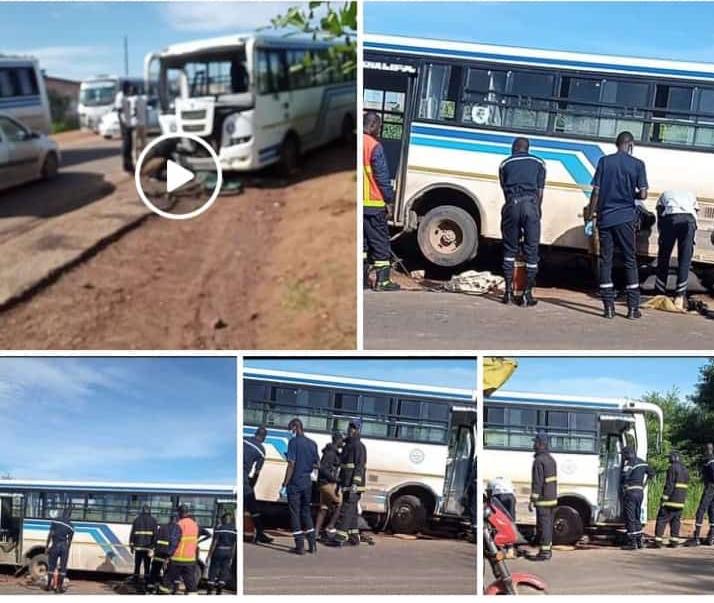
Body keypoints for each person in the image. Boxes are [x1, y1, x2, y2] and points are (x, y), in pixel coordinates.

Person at [587, 131, 648, 319]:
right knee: (630, 260)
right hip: (625, 219)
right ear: (630, 144)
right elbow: (643, 194)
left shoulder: (604, 162)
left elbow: (596, 192)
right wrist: (632, 194)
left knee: (606, 260)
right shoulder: (638, 164)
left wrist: (591, 215)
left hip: (605, 218)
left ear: (617, 143)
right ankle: (632, 309)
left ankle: (608, 308)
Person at [498, 137, 546, 306]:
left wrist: (511, 205)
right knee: (531, 251)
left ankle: (508, 293)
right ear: (527, 148)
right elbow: (540, 192)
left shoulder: (504, 164)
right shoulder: (539, 163)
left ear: (514, 148)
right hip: (531, 206)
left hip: (512, 204)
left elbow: (504, 189)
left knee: (510, 249)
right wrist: (537, 211)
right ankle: (527, 294)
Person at [363, 111, 400, 291]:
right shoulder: (373, 146)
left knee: (362, 245)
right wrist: (389, 200)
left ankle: (361, 281)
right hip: (374, 204)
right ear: (374, 126)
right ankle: (382, 281)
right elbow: (382, 177)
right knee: (379, 243)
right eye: (379, 127)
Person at [281, 418, 319, 555]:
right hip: (307, 483)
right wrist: (306, 464)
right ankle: (312, 545)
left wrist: (284, 484)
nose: (290, 432)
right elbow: (317, 464)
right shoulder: (312, 443)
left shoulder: (293, 442)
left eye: (290, 429)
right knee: (306, 512)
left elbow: (291, 464)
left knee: (295, 513)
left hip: (295, 483)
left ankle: (300, 546)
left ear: (295, 428)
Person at [655, 190, 698, 309]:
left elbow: (659, 211)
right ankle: (679, 297)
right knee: (684, 259)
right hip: (689, 221)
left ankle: (659, 293)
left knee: (664, 256)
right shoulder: (691, 195)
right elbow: (695, 212)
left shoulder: (664, 195)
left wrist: (661, 233)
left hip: (671, 218)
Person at [327, 419, 367, 547]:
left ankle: (340, 538)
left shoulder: (358, 446)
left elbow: (359, 466)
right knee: (353, 511)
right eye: (350, 427)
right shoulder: (348, 445)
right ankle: (354, 537)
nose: (351, 429)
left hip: (353, 485)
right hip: (346, 483)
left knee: (346, 511)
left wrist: (355, 483)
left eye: (353, 428)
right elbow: (342, 465)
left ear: (358, 430)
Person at [529, 433, 557, 561]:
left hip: (543, 500)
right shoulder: (551, 459)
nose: (533, 445)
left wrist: (533, 499)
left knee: (543, 526)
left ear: (540, 444)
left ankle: (544, 552)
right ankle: (548, 549)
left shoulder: (539, 461)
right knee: (549, 525)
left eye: (535, 443)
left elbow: (537, 482)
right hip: (552, 499)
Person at [620, 446, 655, 550]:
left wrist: (624, 484)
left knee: (630, 517)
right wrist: (644, 484)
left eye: (624, 454)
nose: (624, 457)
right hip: (640, 492)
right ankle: (639, 541)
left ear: (629, 454)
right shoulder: (643, 462)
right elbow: (652, 473)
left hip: (630, 492)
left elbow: (625, 475)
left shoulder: (630, 463)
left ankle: (632, 542)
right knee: (637, 516)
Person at [653, 451, 689, 548]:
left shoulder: (672, 468)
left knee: (662, 518)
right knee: (675, 521)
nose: (669, 459)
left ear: (675, 458)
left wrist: (664, 498)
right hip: (680, 501)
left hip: (671, 500)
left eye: (670, 457)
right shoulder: (685, 469)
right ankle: (674, 541)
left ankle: (658, 541)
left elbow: (670, 484)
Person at [244, 426, 273, 544]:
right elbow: (257, 471)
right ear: (264, 437)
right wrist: (252, 485)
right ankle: (259, 534)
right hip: (244, 477)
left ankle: (258, 533)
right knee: (253, 506)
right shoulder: (261, 449)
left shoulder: (243, 439)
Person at [160, 505, 199, 594]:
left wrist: (168, 555)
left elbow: (174, 541)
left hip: (178, 559)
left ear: (180, 513)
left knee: (167, 581)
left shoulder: (180, 524)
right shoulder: (194, 525)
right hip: (190, 560)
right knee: (191, 584)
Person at [315, 431, 344, 541]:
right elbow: (323, 469)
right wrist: (335, 479)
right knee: (339, 503)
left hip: (324, 484)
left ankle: (316, 533)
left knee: (323, 508)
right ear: (337, 440)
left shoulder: (332, 452)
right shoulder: (330, 454)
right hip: (327, 484)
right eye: (342, 440)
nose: (343, 442)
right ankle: (330, 526)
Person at [147, 513, 180, 594]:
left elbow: (155, 539)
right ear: (177, 520)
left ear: (170, 519)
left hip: (158, 553)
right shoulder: (177, 529)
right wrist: (170, 556)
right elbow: (174, 543)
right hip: (167, 555)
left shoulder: (162, 527)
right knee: (166, 574)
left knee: (154, 571)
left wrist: (152, 549)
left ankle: (150, 589)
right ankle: (161, 592)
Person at [206, 512, 236, 595]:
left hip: (218, 551)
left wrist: (209, 555)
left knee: (213, 569)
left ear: (223, 519)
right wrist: (231, 558)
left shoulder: (219, 528)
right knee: (224, 570)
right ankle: (220, 588)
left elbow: (214, 542)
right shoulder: (234, 530)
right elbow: (234, 545)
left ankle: (210, 589)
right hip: (228, 552)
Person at [46, 506, 74, 593]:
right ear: (70, 514)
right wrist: (67, 550)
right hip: (64, 547)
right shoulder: (71, 526)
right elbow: (69, 541)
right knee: (62, 568)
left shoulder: (55, 521)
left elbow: (50, 534)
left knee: (51, 567)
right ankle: (59, 588)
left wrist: (47, 546)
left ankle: (48, 586)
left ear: (63, 512)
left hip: (55, 545)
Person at [692, 442, 714, 545]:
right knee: (712, 512)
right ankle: (711, 537)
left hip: (710, 488)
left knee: (701, 511)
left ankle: (696, 537)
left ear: (707, 450)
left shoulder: (709, 460)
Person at [129, 504, 158, 583]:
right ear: (149, 511)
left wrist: (131, 546)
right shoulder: (153, 520)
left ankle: (135, 579)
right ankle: (146, 579)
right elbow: (155, 535)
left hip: (138, 547)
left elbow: (132, 534)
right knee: (147, 565)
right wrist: (153, 547)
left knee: (137, 565)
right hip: (148, 547)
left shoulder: (137, 520)